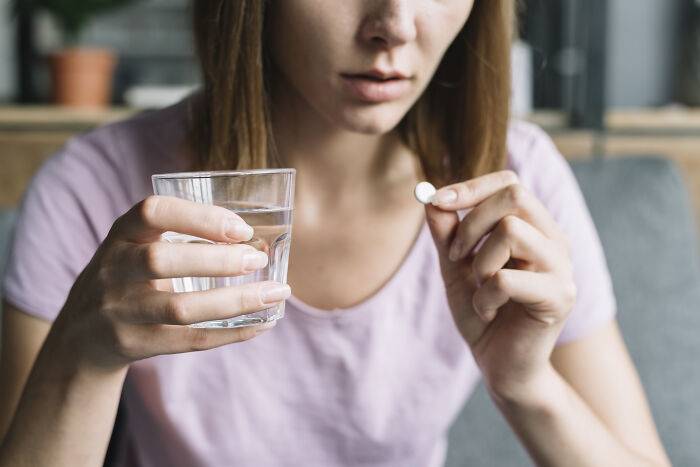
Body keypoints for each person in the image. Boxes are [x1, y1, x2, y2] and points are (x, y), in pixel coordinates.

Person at [0, 1, 671, 466]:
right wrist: (81, 357)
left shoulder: (516, 183)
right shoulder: (91, 189)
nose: (395, 26)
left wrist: (525, 384)